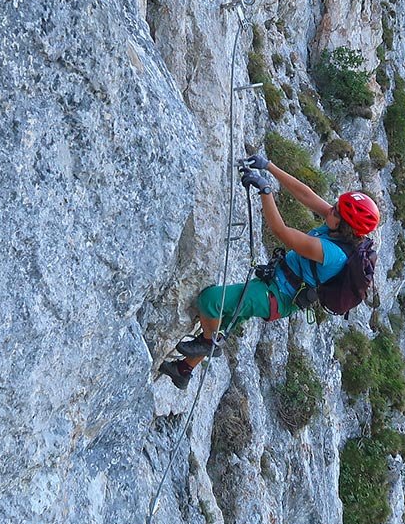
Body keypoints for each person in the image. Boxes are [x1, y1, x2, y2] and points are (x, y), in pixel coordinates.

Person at [159, 150, 381, 390]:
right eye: (335, 206)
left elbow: (281, 231)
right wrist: (269, 166)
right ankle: (183, 371)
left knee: (211, 301)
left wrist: (265, 191)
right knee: (225, 318)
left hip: (279, 295)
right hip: (276, 282)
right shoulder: (338, 227)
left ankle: (208, 343)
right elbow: (305, 195)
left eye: (336, 211)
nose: (331, 209)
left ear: (346, 225)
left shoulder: (333, 254)